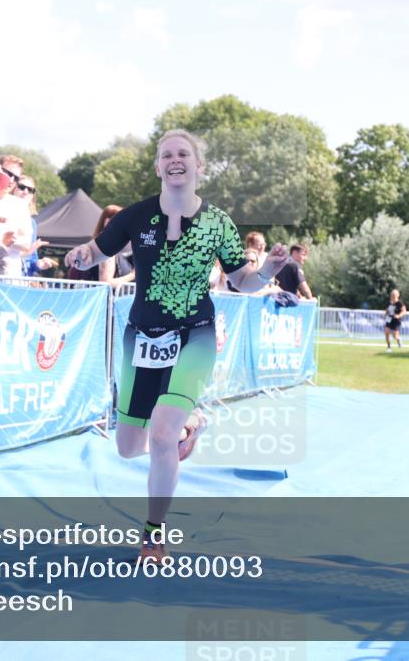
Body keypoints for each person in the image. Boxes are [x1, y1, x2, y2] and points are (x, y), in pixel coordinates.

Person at [64, 129, 288, 561]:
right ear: (158, 167)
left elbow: (243, 282)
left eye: (183, 153)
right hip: (142, 337)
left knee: (163, 435)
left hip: (195, 336)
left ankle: (154, 534)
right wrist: (79, 257)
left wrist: (268, 270)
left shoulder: (218, 223)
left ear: (199, 166)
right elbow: (95, 252)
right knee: (129, 447)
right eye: (166, 154)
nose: (175, 159)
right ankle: (191, 424)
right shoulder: (134, 216)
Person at [67, 205, 136, 288]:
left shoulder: (99, 249)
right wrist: (133, 275)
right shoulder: (107, 250)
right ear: (107, 222)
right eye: (122, 223)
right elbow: (106, 282)